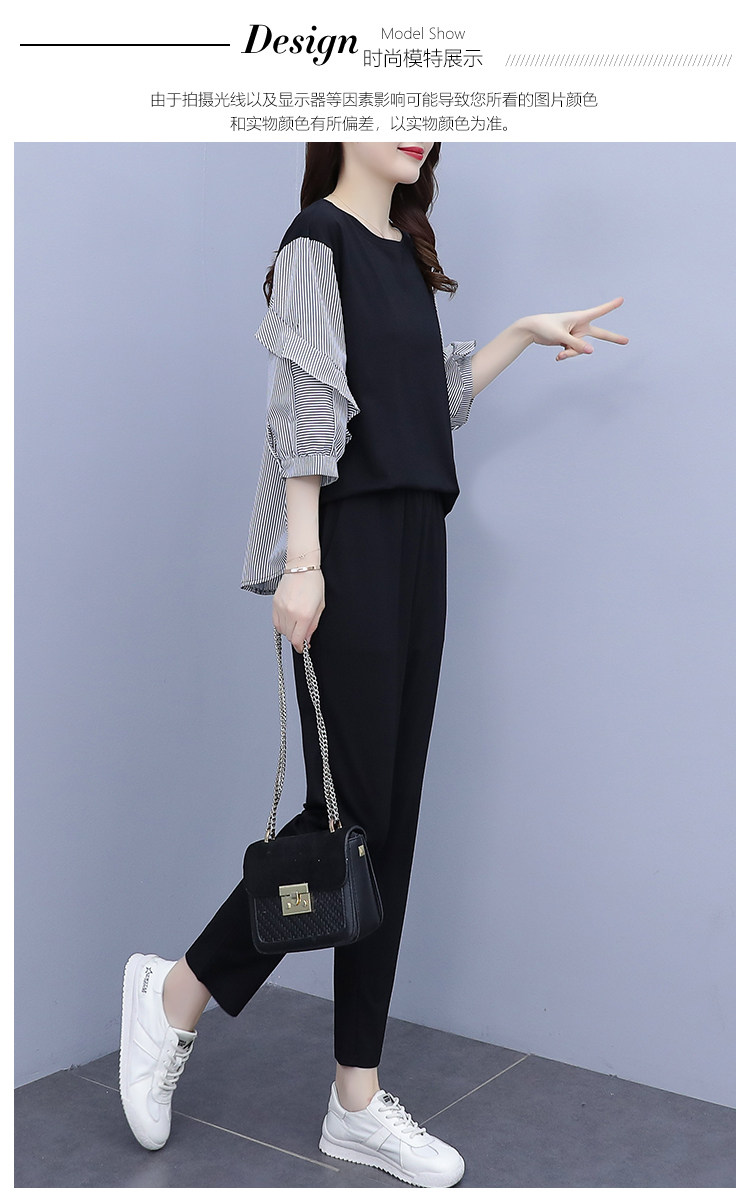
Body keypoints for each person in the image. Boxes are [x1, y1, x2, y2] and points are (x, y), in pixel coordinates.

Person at [118, 142, 628, 1188]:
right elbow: (307, 405)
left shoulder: (402, 254)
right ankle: (177, 993)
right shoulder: (319, 241)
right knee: (349, 815)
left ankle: (355, 1098)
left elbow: (421, 406)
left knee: (389, 828)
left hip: (418, 546)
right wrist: (305, 562)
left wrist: (522, 335)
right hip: (346, 543)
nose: (415, 126)